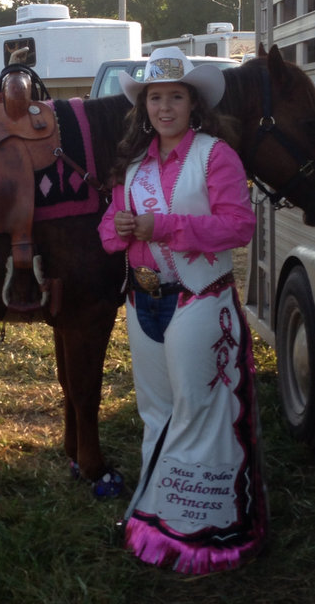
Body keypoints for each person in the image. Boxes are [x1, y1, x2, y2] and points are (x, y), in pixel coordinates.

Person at [98, 46, 268, 576]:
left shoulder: (216, 156)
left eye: (175, 97)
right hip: (143, 298)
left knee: (199, 409)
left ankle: (203, 528)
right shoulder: (135, 166)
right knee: (156, 412)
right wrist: (121, 231)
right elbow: (108, 230)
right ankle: (156, 515)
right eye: (155, 98)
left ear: (193, 105)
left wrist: (164, 227)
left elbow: (238, 227)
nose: (164, 107)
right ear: (143, 106)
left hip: (199, 295)